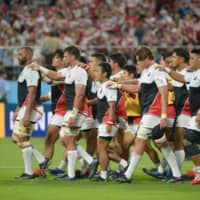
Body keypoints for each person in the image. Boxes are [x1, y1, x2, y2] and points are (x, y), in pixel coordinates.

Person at [109, 47, 181, 183]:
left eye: (139, 60)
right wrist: (118, 86)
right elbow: (137, 88)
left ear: (147, 58)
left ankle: (127, 175)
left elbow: (164, 92)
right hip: (150, 111)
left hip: (155, 111)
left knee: (140, 139)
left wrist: (164, 115)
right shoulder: (147, 72)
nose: (138, 63)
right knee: (161, 143)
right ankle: (176, 175)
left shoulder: (157, 70)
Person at [11, 47, 45, 179]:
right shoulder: (26, 69)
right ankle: (42, 161)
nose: (18, 56)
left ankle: (29, 172)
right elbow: (24, 94)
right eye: (18, 54)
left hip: (31, 108)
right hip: (25, 107)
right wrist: (18, 110)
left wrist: (26, 114)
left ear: (29, 55)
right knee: (16, 138)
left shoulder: (31, 69)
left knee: (22, 139)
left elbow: (32, 92)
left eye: (21, 54)